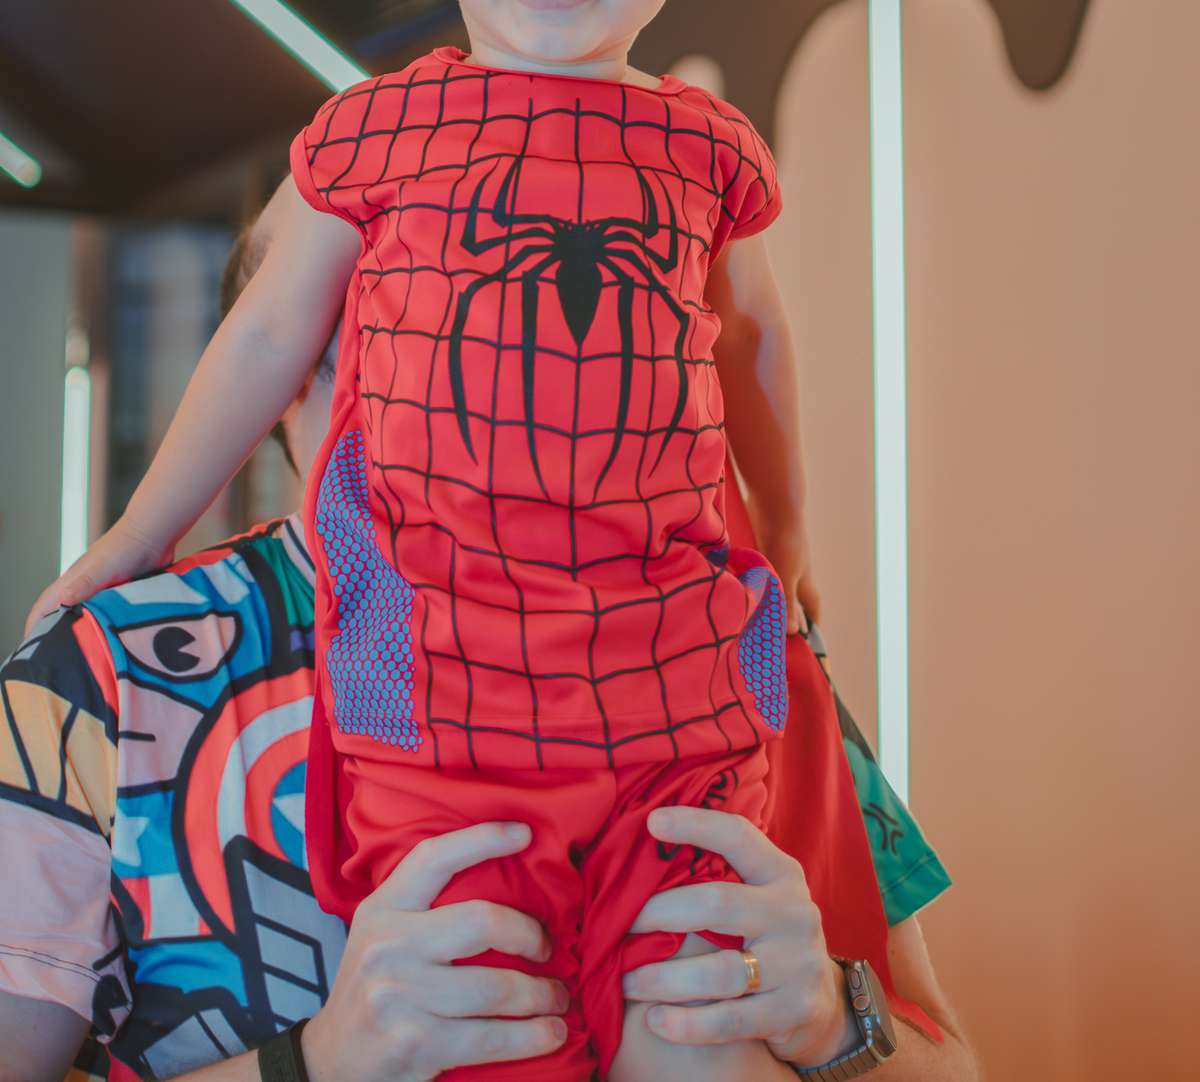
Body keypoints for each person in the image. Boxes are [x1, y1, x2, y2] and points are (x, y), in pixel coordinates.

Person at [25, 0, 910, 1077]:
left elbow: (753, 347)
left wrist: (786, 544)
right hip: (441, 697)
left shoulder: (703, 151)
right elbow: (263, 337)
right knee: (477, 1025)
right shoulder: (380, 131)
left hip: (670, 695)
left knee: (704, 1031)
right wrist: (139, 537)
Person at [0, 237, 973, 1079]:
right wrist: (317, 1065)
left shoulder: (741, 642)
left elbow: (956, 1063)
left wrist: (833, 1024)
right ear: (278, 374)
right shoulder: (101, 679)